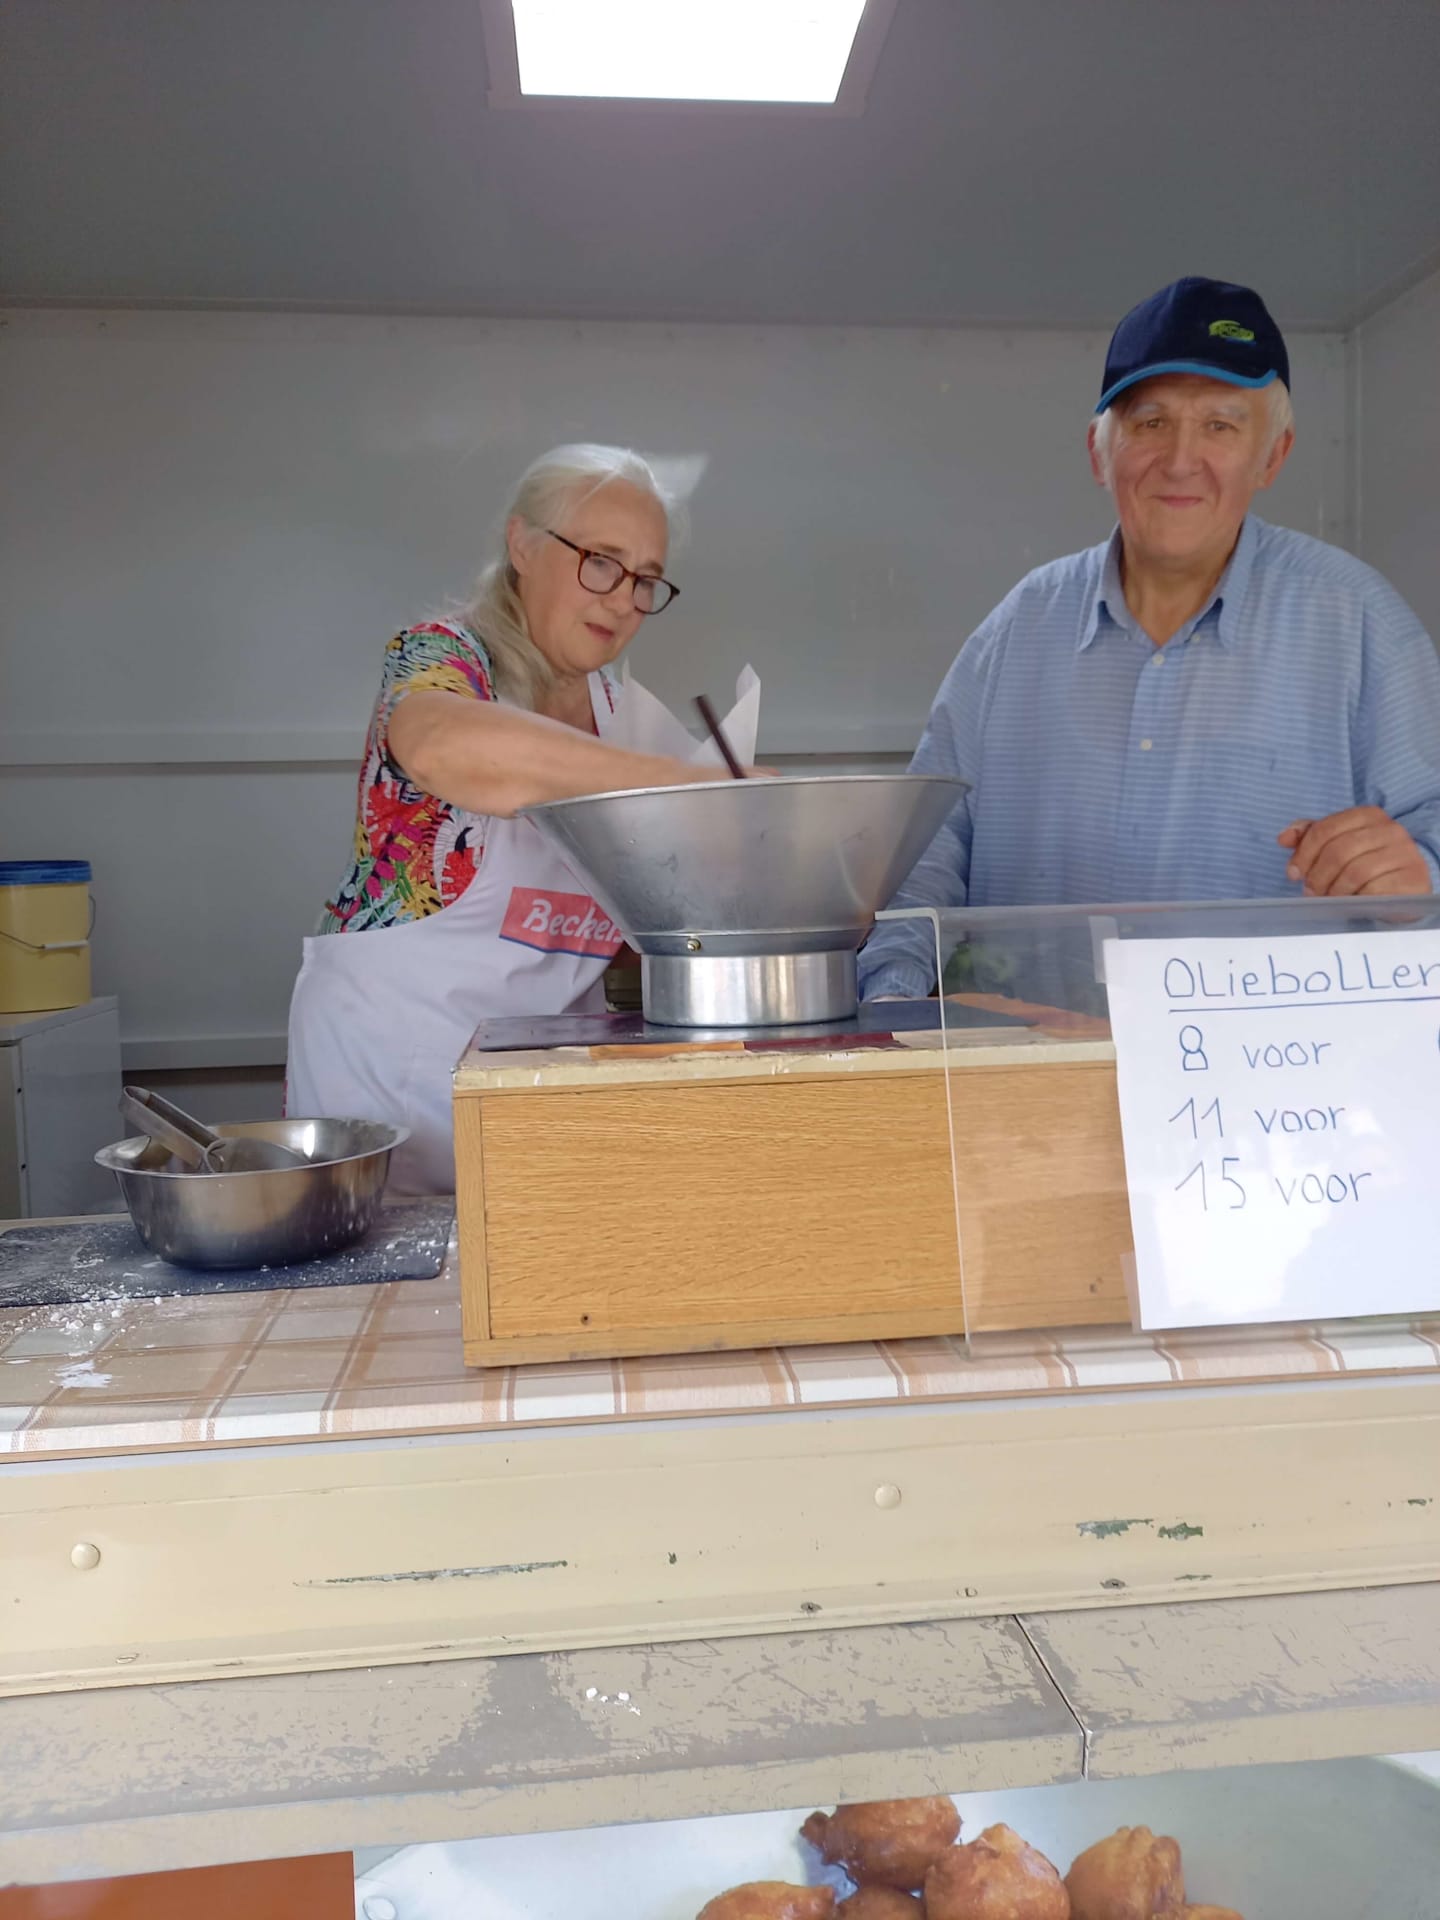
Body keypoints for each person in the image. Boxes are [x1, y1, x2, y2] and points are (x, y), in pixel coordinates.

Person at [859, 276, 1440, 1000]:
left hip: (1276, 1095)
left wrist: (1418, 878)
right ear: (1100, 453)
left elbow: (1430, 844)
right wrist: (889, 1007)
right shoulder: (1015, 631)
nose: (1180, 460)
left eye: (1221, 426)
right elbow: (920, 863)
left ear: (1274, 455)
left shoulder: (1360, 622)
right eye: (1150, 422)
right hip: (1032, 1087)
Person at [286, 442, 721, 1192]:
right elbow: (442, 743)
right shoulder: (441, 662)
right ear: (523, 543)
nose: (623, 598)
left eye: (647, 578)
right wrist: (680, 789)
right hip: (386, 1095)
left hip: (531, 1106)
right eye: (603, 561)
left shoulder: (629, 724)